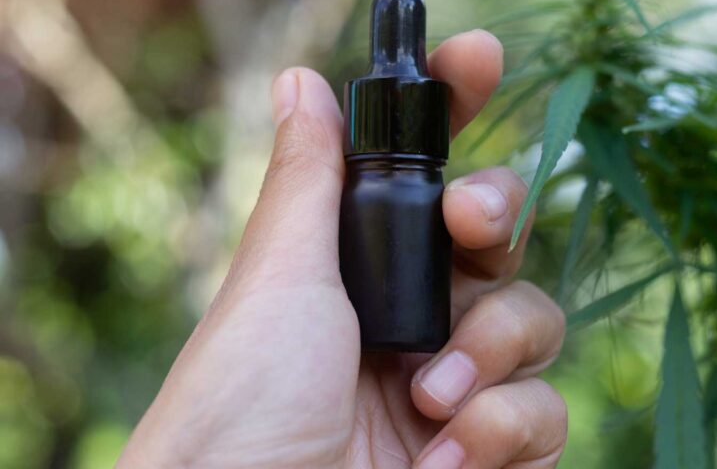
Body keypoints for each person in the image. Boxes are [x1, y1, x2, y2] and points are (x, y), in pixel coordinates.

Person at [117, 30, 568, 468]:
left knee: (478, 215)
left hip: (408, 419)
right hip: (348, 417)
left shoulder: (410, 192)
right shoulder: (366, 192)